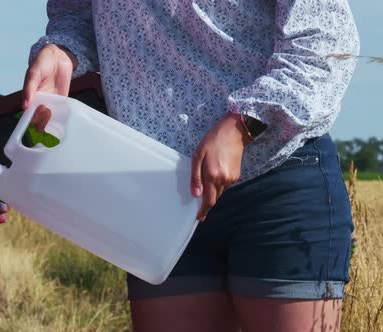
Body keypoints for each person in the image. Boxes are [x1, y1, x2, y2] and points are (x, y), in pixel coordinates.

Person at [22, 1, 359, 331]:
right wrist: (62, 50)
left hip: (278, 183)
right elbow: (75, 17)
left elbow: (324, 43)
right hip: (161, 195)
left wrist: (243, 124)